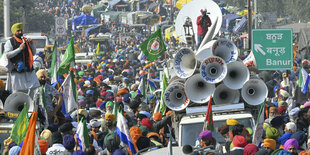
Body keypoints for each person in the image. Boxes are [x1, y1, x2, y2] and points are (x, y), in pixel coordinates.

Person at [4, 23, 40, 96]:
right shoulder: (10, 42)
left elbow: (33, 53)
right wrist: (19, 49)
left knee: (34, 87)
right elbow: (8, 55)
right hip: (16, 70)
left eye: (21, 30)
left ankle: (30, 105)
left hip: (28, 70)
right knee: (17, 91)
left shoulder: (25, 41)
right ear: (14, 32)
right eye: (18, 31)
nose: (20, 32)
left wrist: (32, 44)